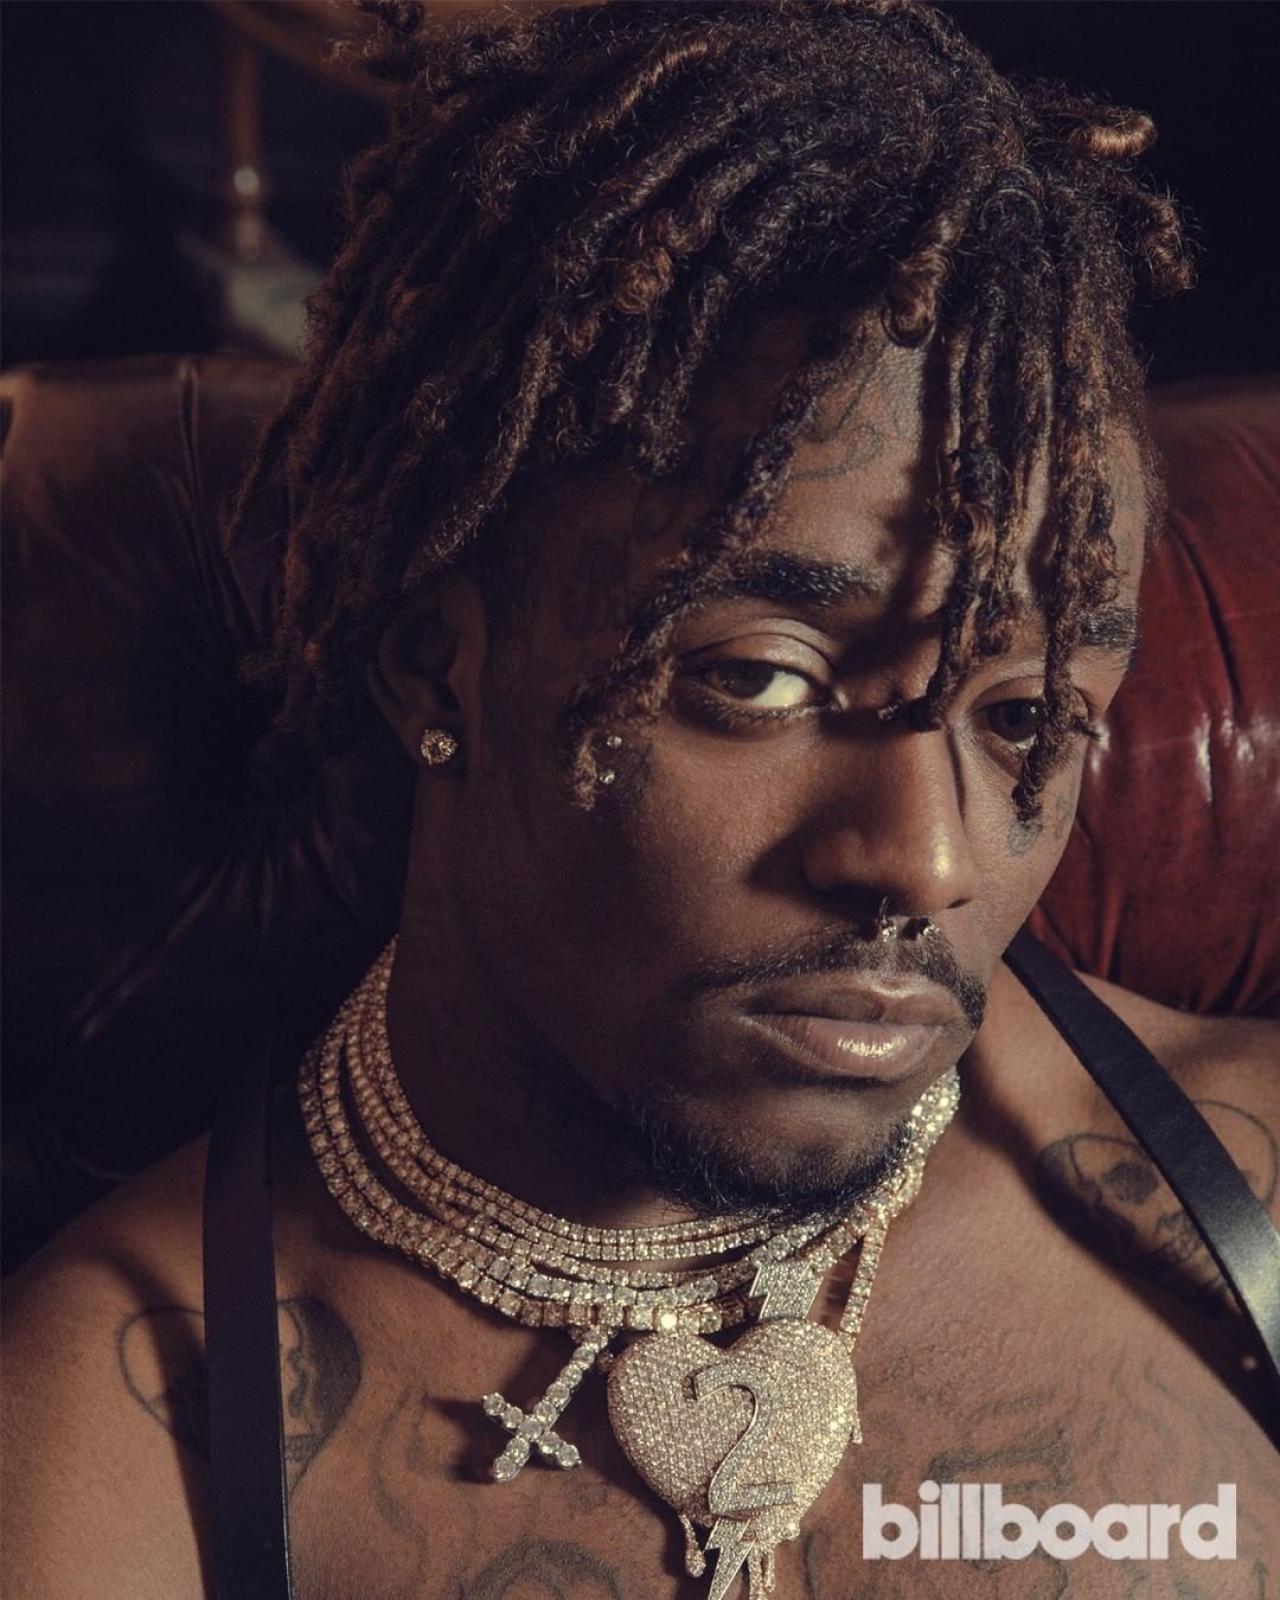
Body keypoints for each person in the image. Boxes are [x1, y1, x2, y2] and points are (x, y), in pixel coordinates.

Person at [3, 2, 1277, 1595]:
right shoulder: (117, 1441)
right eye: (759, 680)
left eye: (1026, 714)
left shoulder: (1252, 1200)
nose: (926, 856)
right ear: (436, 669)